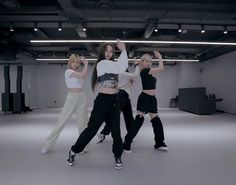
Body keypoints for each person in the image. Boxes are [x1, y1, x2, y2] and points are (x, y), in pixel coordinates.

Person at [66, 40, 128, 170]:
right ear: (102, 52)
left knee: (116, 132)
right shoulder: (102, 64)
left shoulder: (112, 65)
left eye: (111, 51)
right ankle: (73, 151)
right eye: (106, 50)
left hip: (114, 102)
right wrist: (123, 50)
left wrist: (118, 86)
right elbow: (121, 67)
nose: (109, 53)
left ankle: (118, 156)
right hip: (102, 102)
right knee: (91, 130)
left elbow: (115, 79)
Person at [41, 54, 89, 154]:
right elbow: (83, 75)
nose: (75, 64)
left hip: (81, 97)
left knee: (83, 123)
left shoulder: (77, 72)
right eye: (73, 62)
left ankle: (82, 146)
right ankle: (47, 145)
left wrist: (85, 66)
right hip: (72, 97)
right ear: (70, 62)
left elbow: (82, 76)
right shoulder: (68, 72)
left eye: (77, 62)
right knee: (62, 121)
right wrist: (87, 64)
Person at [123, 50, 168, 153]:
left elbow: (140, 65)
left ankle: (159, 143)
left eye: (150, 61)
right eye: (146, 61)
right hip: (144, 98)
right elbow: (161, 68)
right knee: (139, 120)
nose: (149, 63)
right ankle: (127, 143)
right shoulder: (144, 71)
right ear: (142, 62)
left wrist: (138, 64)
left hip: (152, 99)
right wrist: (159, 56)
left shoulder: (145, 70)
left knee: (156, 121)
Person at [97, 60, 140, 142]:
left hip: (125, 96)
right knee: (115, 117)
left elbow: (134, 77)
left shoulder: (124, 74)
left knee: (129, 117)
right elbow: (136, 75)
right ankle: (103, 133)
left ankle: (130, 135)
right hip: (121, 95)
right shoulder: (122, 73)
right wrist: (137, 65)